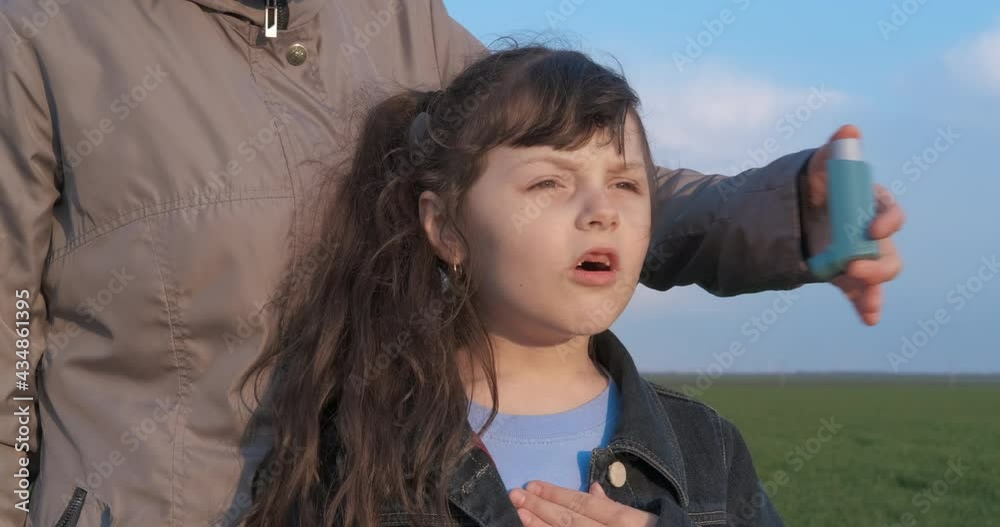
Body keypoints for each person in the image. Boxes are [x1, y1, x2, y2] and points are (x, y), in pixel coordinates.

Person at [0, 1, 903, 525]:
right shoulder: (43, 35)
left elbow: (562, 156)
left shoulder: (395, 18)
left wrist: (785, 210)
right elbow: (9, 332)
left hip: (401, 463)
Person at [241, 44, 792, 527]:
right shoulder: (354, 450)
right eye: (549, 181)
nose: (602, 211)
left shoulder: (708, 451)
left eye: (625, 183)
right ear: (447, 228)